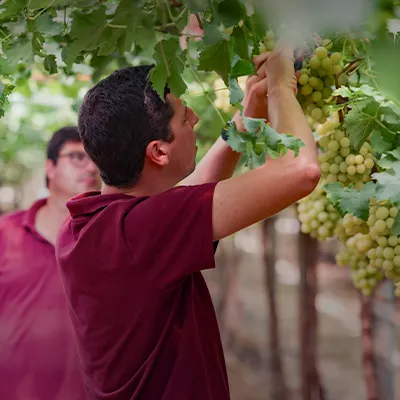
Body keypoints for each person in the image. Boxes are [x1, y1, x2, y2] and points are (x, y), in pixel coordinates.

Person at [56, 40, 320, 400]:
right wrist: (280, 87)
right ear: (159, 152)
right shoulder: (142, 231)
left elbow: (192, 196)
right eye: (184, 117)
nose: (195, 117)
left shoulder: (88, 226)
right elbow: (301, 171)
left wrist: (248, 116)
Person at [0, 127, 101, 399]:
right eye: (77, 157)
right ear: (50, 168)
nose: (91, 166)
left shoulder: (114, 238)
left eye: (97, 157)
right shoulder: (5, 234)